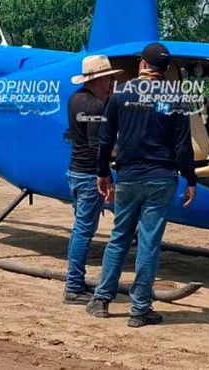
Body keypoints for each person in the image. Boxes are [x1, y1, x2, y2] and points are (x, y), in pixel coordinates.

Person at [86, 42, 197, 328]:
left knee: (119, 237)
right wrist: (191, 179)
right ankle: (139, 310)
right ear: (165, 68)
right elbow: (184, 146)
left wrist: (102, 173)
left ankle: (101, 300)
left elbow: (105, 138)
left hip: (129, 176)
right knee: (148, 243)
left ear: (143, 65)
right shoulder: (176, 97)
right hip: (162, 178)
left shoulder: (121, 93)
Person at [62, 55, 122, 305]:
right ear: (101, 79)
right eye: (109, 78)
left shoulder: (76, 99)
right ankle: (73, 285)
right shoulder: (96, 106)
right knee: (84, 232)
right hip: (89, 174)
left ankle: (75, 281)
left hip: (76, 170)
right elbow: (97, 144)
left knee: (81, 229)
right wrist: (105, 176)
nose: (111, 83)